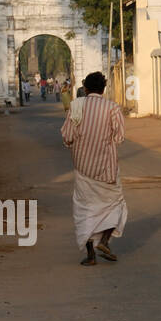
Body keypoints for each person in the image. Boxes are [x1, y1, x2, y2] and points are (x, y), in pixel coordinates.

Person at [61, 71, 127, 267]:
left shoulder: (76, 106)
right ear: (103, 88)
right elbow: (119, 137)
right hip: (107, 168)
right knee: (115, 205)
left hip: (82, 168)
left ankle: (90, 256)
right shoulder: (112, 108)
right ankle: (105, 241)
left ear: (86, 88)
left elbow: (67, 136)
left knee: (85, 210)